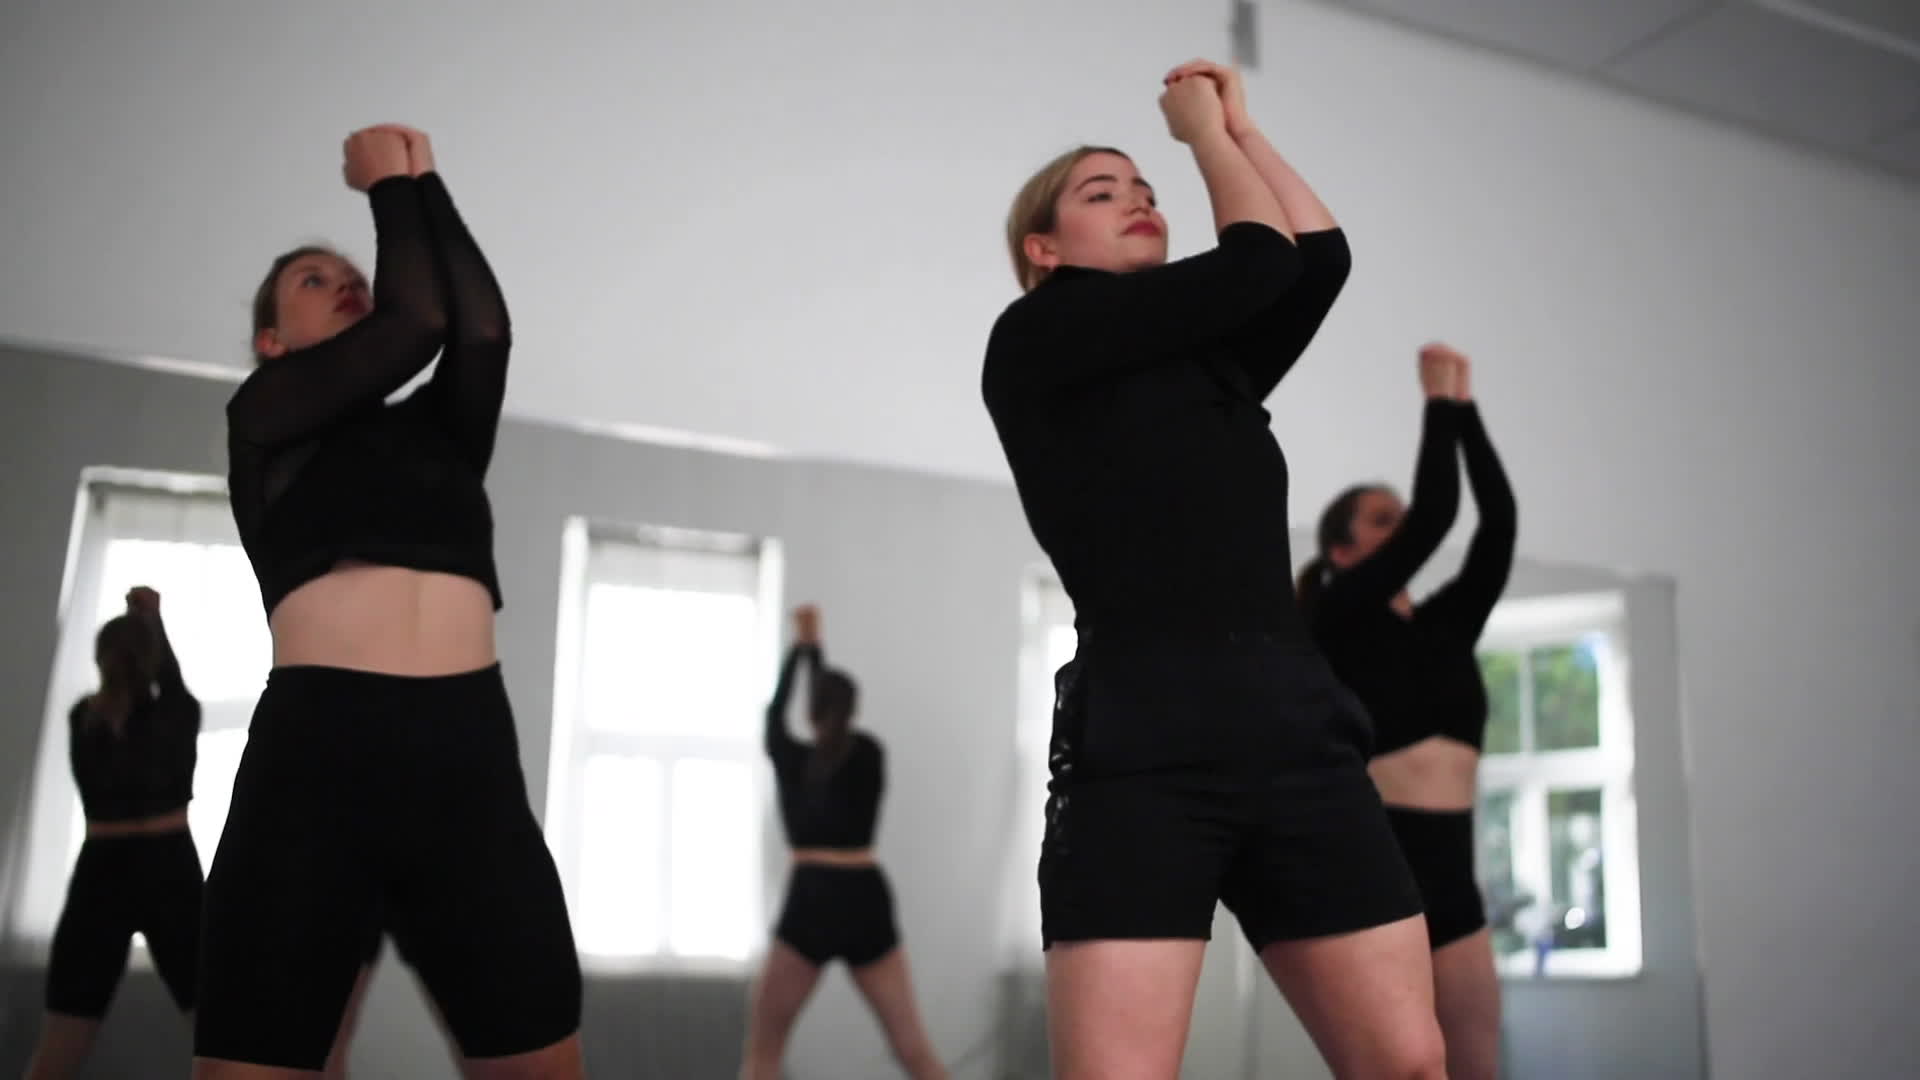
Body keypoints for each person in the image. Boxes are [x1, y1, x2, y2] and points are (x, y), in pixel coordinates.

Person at [982, 59, 1447, 1079]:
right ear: (1043, 250)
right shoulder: (1036, 339)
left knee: (1411, 1062)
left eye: (1146, 187)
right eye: (1102, 192)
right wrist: (1198, 137)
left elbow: (1315, 259)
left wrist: (1240, 129)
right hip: (1145, 753)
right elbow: (1257, 261)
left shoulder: (1210, 361)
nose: (1138, 198)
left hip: (1300, 741)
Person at [196, 124, 582, 1079]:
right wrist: (384, 187)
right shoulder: (265, 420)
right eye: (314, 280)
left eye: (351, 275)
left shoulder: (440, 436)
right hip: (317, 762)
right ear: (271, 341)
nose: (346, 282)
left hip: (470, 762)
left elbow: (477, 330)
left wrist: (425, 179)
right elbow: (415, 321)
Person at [1298, 342, 1518, 1080]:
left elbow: (1497, 524)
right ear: (1341, 551)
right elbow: (1438, 516)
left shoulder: (1444, 627)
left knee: (1475, 1070)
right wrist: (1436, 404)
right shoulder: (1337, 613)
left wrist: (1466, 407)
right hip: (1378, 875)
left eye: (1400, 519)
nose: (1404, 530)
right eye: (1383, 521)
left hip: (1454, 880)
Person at [741, 606, 946, 1080]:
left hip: (811, 898)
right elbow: (824, 717)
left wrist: (801, 650)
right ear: (853, 710)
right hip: (864, 896)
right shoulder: (870, 754)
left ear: (811, 711)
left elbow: (774, 715)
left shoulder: (792, 759)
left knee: (764, 1053)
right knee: (913, 1049)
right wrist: (815, 650)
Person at [25, 587, 204, 1080]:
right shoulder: (176, 714)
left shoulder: (83, 718)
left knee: (57, 1051)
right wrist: (152, 620)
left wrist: (140, 627)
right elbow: (171, 682)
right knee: (221, 1041)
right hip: (169, 869)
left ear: (100, 659)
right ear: (151, 660)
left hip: (101, 870)